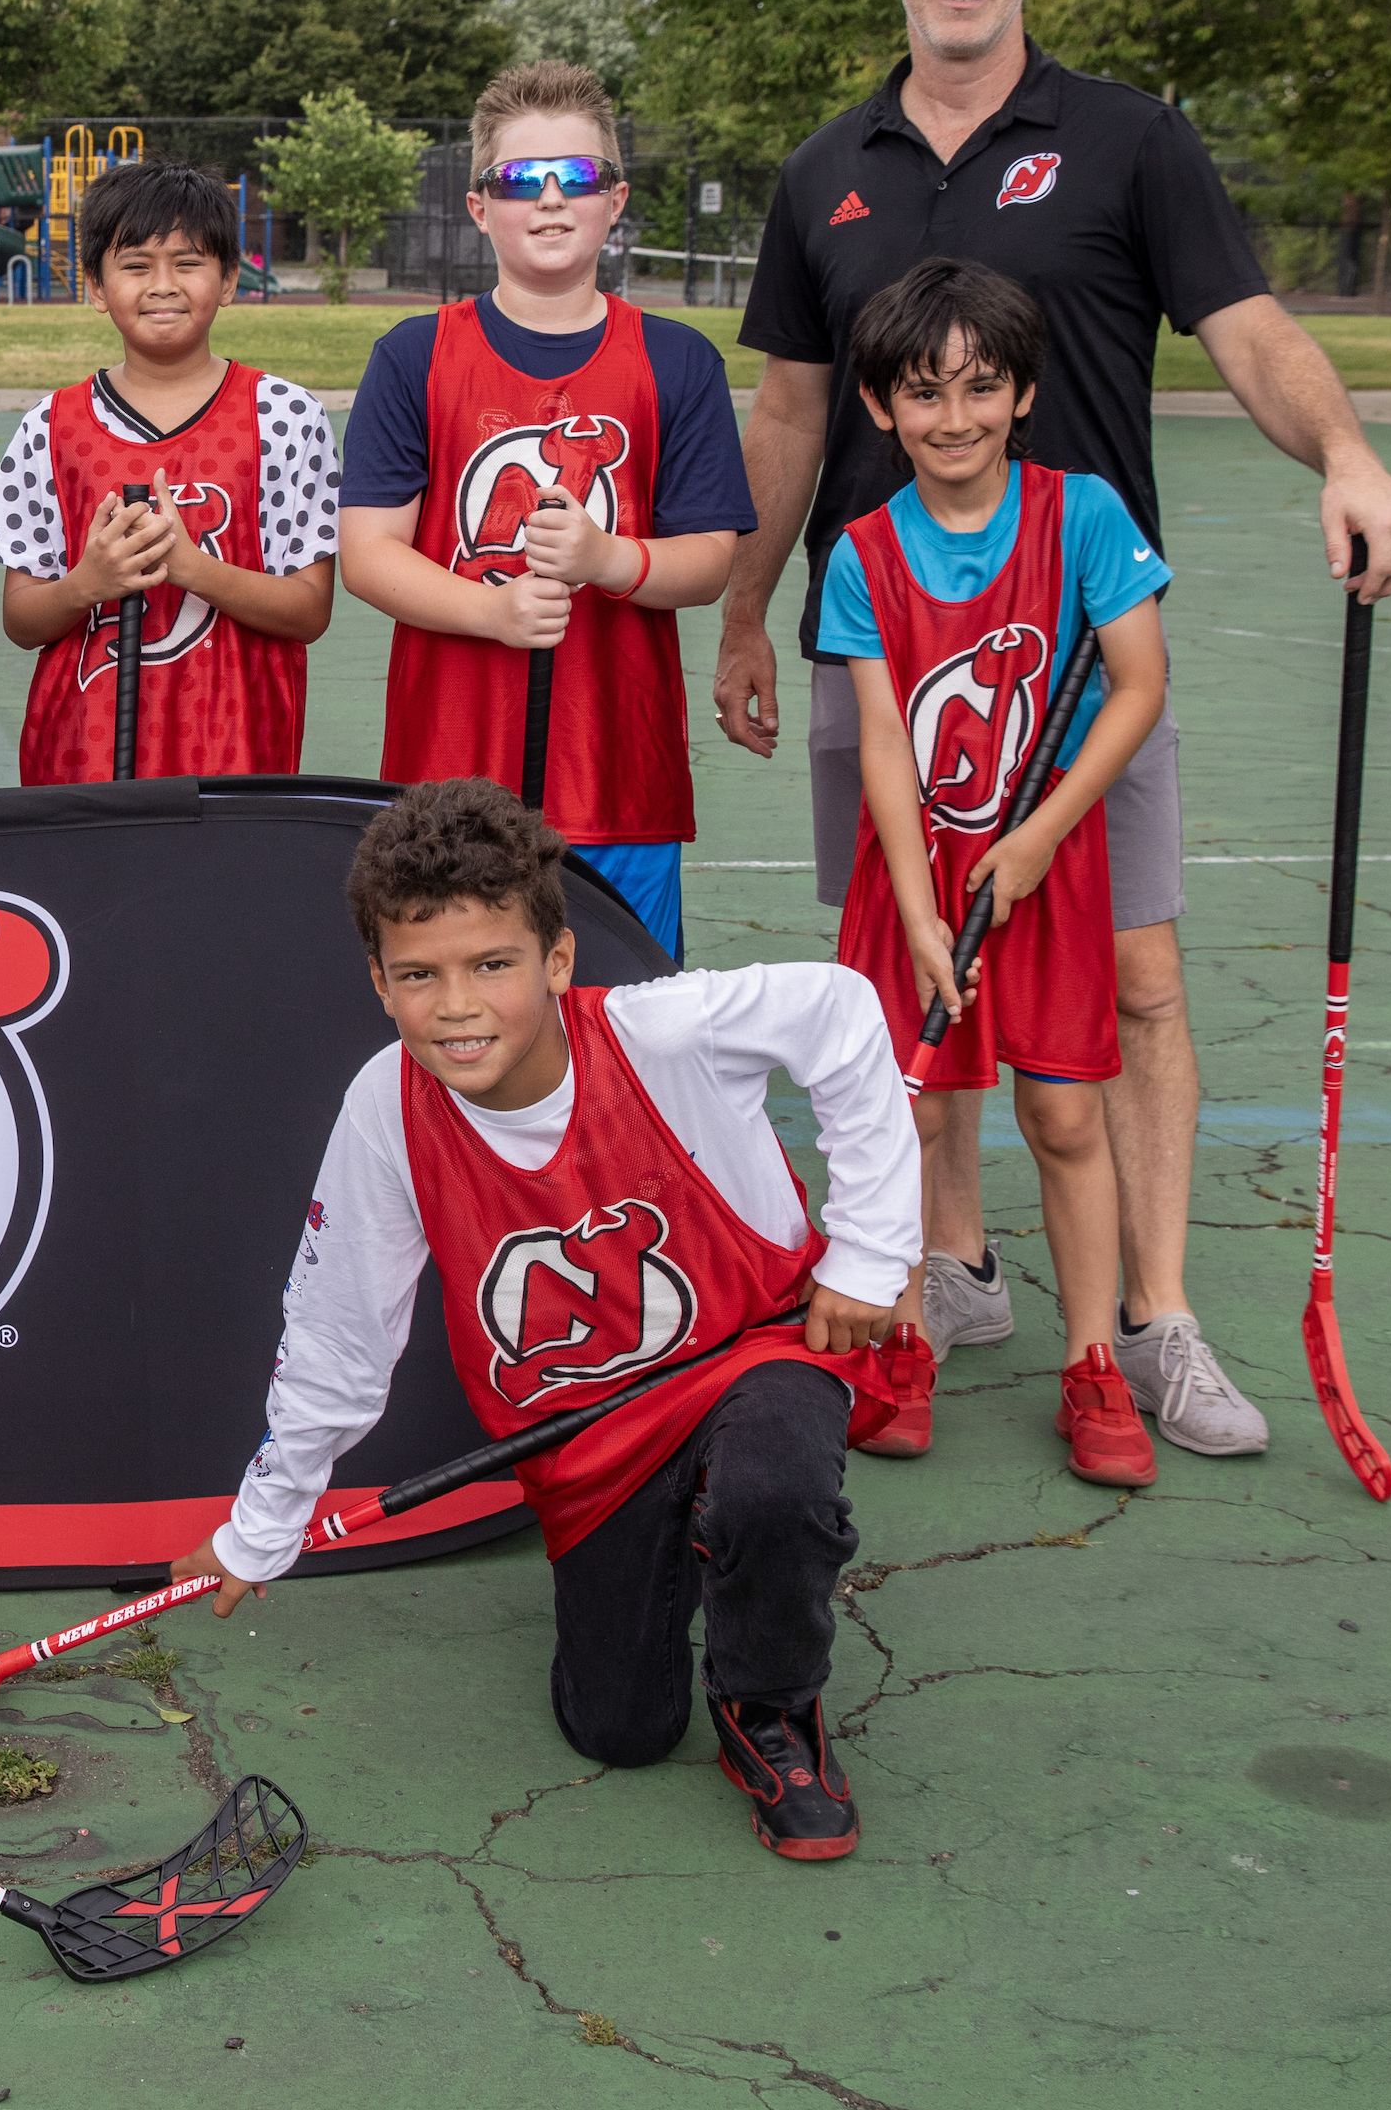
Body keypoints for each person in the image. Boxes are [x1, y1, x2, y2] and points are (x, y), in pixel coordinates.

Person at [714, 0, 1391, 1453]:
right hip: (878, 634)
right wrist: (748, 610)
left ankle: (1154, 1317)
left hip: (1072, 655)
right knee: (918, 956)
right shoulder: (826, 160)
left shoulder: (1128, 140)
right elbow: (790, 404)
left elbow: (1247, 331)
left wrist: (1347, 455)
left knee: (1138, 973)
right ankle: (953, 1260)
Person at [166, 782, 924, 1861]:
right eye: (419, 976)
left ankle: (772, 1710)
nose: (458, 1005)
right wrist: (263, 1523)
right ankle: (690, 1541)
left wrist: (866, 1250)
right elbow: (340, 1331)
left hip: (747, 1352)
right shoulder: (385, 1108)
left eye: (493, 965)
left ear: (558, 961)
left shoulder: (662, 1032)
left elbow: (842, 1008)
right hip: (586, 1440)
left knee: (775, 1485)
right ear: (379, 983)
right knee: (618, 1729)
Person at [821, 261, 1170, 1482]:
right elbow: (878, 738)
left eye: (980, 388)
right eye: (924, 392)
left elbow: (1139, 685)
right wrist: (918, 912)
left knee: (1064, 1111)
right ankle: (906, 1336)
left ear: (1023, 393)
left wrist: (1039, 834)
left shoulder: (1083, 516)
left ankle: (1091, 1364)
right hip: (914, 873)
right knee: (910, 1112)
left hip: (1046, 866)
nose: (953, 416)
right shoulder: (862, 551)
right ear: (880, 407)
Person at [340, 60, 753, 959]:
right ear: (481, 205)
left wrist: (610, 561)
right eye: (525, 180)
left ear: (616, 199)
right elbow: (369, 553)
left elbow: (709, 557)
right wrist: (493, 608)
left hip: (617, 780)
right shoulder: (415, 357)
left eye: (581, 176)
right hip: (449, 780)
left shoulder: (678, 363)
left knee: (626, 1029)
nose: (554, 199)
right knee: (458, 1018)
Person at [0, 160, 338, 781]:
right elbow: (21, 619)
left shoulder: (284, 415)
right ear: (94, 286)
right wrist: (88, 582)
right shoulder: (52, 425)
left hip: (235, 760)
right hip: (82, 761)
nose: (163, 284)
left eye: (189, 262)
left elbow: (308, 611)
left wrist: (194, 568)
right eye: (136, 265)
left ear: (228, 278)